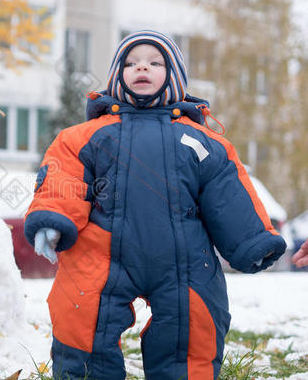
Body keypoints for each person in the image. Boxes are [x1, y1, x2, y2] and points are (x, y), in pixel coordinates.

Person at [24, 30, 286, 380]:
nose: (141, 68)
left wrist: (252, 241)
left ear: (174, 76)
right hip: (100, 253)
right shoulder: (85, 136)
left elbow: (227, 191)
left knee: (192, 330)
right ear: (117, 77)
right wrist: (52, 218)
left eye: (154, 62)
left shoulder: (200, 139)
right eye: (130, 63)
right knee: (80, 316)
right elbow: (64, 176)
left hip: (185, 258)